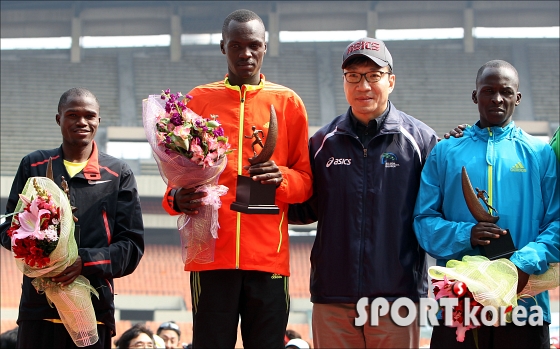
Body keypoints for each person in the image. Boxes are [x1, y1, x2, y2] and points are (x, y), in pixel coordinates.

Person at [161, 9, 312, 348]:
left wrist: (281, 178)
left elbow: (305, 183)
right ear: (222, 47)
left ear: (265, 47)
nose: (246, 53)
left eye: (254, 45)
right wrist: (175, 199)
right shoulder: (198, 100)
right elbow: (177, 175)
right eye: (237, 45)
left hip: (268, 260)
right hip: (212, 256)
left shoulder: (288, 103)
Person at [289, 37, 438, 348]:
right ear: (344, 82)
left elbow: (436, 212)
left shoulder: (421, 141)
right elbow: (303, 208)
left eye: (374, 75)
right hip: (333, 296)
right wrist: (251, 187)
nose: (363, 85)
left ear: (391, 81)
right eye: (353, 76)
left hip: (396, 298)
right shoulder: (321, 143)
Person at [413, 60, 559, 348]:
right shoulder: (445, 152)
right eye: (488, 91)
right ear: (474, 95)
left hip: (524, 304)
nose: (497, 99)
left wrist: (520, 265)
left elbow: (555, 223)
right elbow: (423, 220)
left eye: (506, 92)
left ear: (517, 97)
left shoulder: (540, 153)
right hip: (459, 304)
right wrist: (465, 234)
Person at [0, 88, 145, 348]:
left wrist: (84, 263)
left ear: (98, 121)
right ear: (59, 119)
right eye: (72, 114)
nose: (82, 122)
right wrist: (38, 249)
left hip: (93, 312)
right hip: (38, 311)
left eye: (89, 116)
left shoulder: (118, 174)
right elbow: (6, 227)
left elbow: (132, 247)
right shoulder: (33, 166)